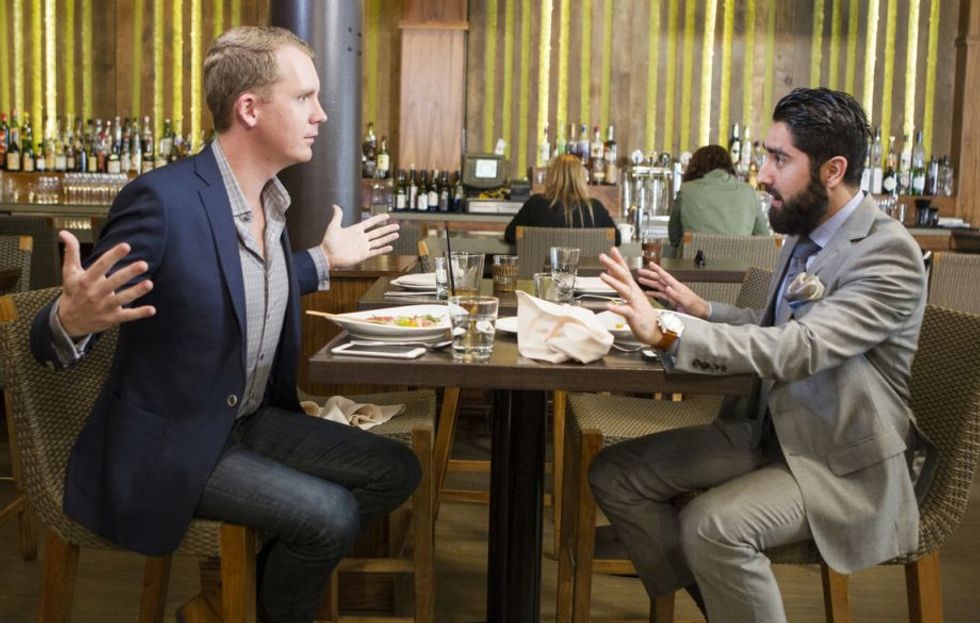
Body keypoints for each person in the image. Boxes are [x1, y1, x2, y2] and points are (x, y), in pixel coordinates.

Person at [30, 27, 419, 623]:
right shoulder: (162, 201)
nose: (320, 114)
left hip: (248, 420)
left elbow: (235, 286)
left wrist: (323, 260)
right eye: (304, 97)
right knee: (331, 516)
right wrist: (69, 319)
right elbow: (49, 343)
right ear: (249, 109)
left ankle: (230, 607)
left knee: (396, 469)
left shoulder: (269, 201)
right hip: (171, 445)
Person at [592, 88, 934, 622]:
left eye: (779, 159)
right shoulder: (804, 234)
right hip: (773, 431)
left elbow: (802, 346)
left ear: (832, 170)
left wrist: (667, 333)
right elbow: (776, 329)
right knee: (614, 473)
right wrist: (702, 310)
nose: (763, 174)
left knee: (712, 525)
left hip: (840, 460)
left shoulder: (887, 252)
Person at [667, 144, 769, 254]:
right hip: (739, 264)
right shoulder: (749, 192)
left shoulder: (686, 191)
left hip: (694, 264)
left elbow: (674, 238)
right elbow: (764, 239)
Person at [504, 153, 621, 245]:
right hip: (584, 270)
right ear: (581, 178)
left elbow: (509, 235)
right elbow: (617, 239)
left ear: (552, 176)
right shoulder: (595, 208)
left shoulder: (535, 204)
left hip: (540, 270)